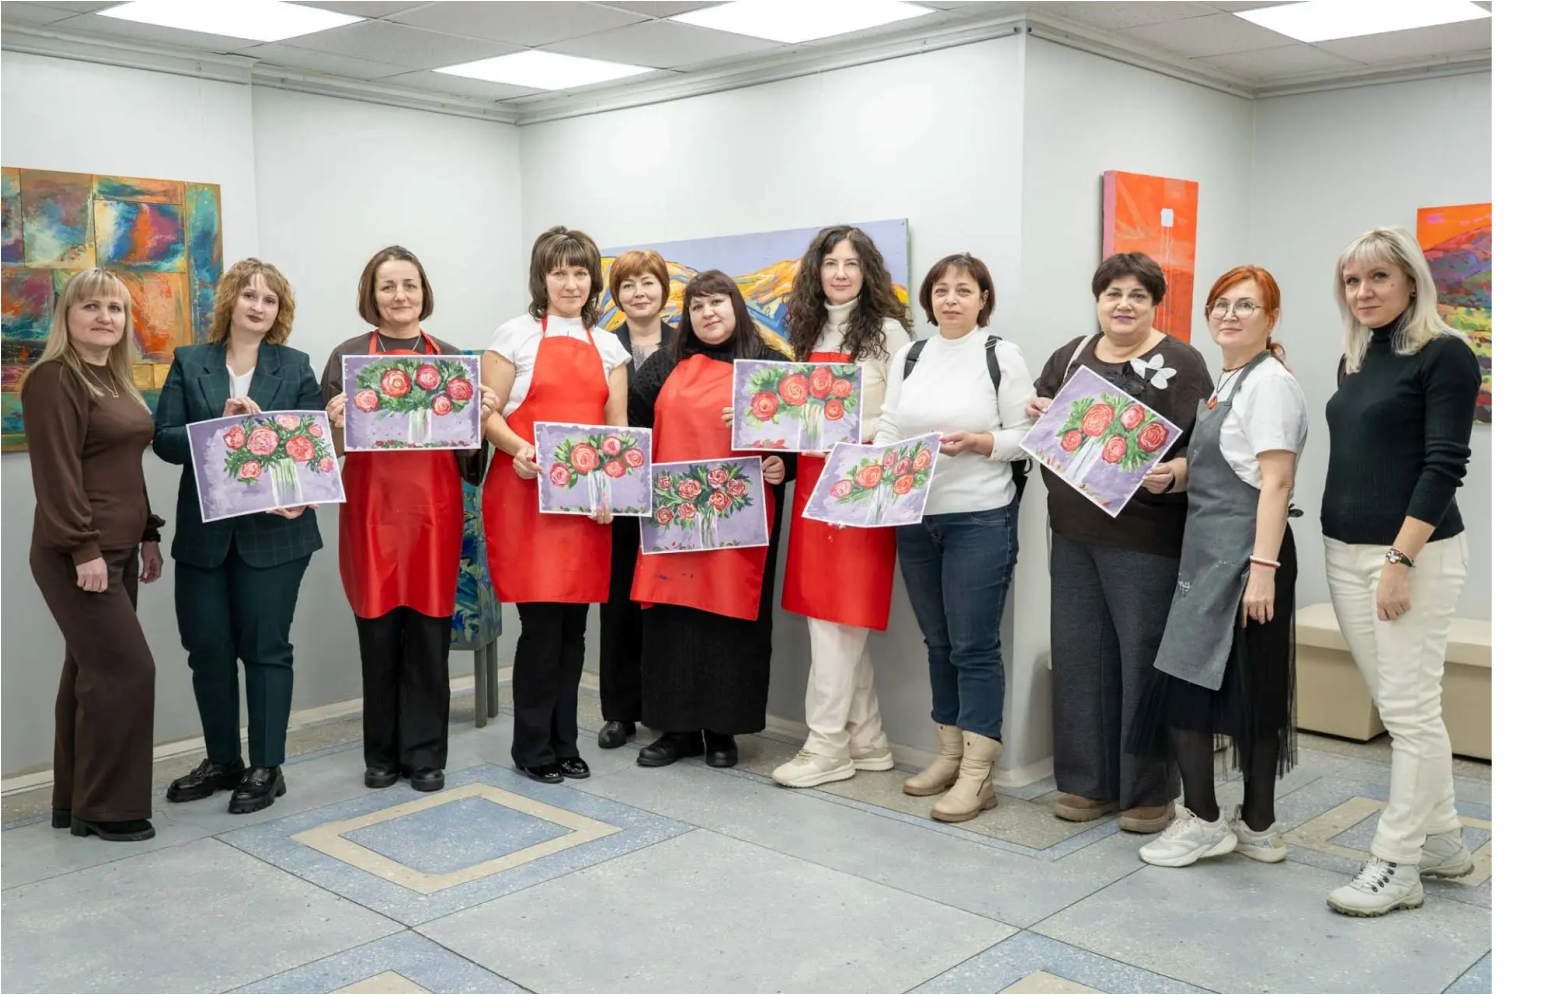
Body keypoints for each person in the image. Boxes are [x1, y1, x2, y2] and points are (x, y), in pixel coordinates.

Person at [1320, 227, 1481, 917]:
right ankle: (1442, 840)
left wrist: (1399, 559)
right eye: (1353, 281)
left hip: (1412, 556)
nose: (1364, 292)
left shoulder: (1446, 354)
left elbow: (1445, 465)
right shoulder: (1355, 358)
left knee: (1410, 713)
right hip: (1343, 552)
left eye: (1379, 277)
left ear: (1411, 281)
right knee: (1401, 706)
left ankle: (1398, 861)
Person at [1128, 265, 1306, 867]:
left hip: (1247, 557)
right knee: (1229, 688)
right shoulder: (1232, 379)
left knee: (1204, 686)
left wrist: (1263, 570)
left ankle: (1208, 821)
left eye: (1246, 305)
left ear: (1271, 317)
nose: (1230, 315)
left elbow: (1277, 482)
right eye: (1221, 304)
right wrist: (1175, 475)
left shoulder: (1269, 384)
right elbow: (1231, 462)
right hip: (1211, 552)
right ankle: (1255, 825)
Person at [1029, 252, 1213, 835]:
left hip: (1146, 536)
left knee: (1143, 660)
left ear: (1154, 303)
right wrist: (1038, 413)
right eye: (1113, 293)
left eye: (1137, 295)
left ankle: (1147, 790)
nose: (1124, 305)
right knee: (1080, 658)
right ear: (1098, 299)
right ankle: (1088, 782)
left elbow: (1209, 448)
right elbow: (1041, 419)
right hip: (1073, 532)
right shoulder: (1072, 355)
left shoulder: (1182, 363)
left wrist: (1175, 473)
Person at [322, 246, 498, 793]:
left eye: (409, 285)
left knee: (427, 635)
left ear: (424, 292)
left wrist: (481, 417)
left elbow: (468, 459)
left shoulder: (451, 361)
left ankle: (425, 754)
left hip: (433, 515)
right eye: (388, 286)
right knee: (377, 634)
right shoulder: (348, 358)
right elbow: (329, 454)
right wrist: (333, 423)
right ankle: (380, 754)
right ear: (370, 295)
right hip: (371, 512)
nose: (400, 296)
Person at [154, 259, 323, 814]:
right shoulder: (190, 361)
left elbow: (312, 445)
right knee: (207, 651)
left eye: (270, 299)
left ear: (279, 311)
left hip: (277, 535)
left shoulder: (295, 366)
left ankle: (266, 766)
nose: (258, 306)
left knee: (266, 651)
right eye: (249, 295)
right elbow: (164, 439)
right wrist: (219, 430)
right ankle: (223, 761)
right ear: (230, 300)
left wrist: (301, 489)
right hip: (204, 536)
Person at [875, 253, 1032, 824]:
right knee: (938, 642)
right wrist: (872, 464)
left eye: (964, 290)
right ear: (928, 300)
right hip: (915, 517)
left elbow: (1028, 435)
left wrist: (981, 442)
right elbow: (891, 423)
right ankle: (949, 754)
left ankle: (978, 774)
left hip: (979, 517)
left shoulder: (1000, 355)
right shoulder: (911, 355)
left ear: (983, 299)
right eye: (941, 290)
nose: (950, 299)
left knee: (974, 646)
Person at [21, 268, 165, 842]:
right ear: (67, 315)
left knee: (91, 672)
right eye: (92, 307)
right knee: (126, 671)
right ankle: (110, 808)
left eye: (116, 308)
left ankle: (76, 803)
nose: (106, 317)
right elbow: (56, 474)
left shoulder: (116, 380)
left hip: (121, 548)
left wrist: (148, 531)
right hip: (78, 552)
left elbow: (124, 466)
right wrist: (84, 548)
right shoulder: (54, 378)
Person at [482, 226, 629, 783]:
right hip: (525, 497)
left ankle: (566, 741)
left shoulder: (609, 347)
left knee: (574, 630)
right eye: (559, 272)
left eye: (580, 272)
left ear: (593, 280)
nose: (570, 283)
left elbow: (616, 430)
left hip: (585, 507)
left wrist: (612, 492)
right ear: (540, 279)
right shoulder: (513, 336)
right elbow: (486, 413)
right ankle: (532, 746)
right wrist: (518, 449)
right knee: (542, 629)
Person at [630, 270, 793, 769]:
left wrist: (781, 464)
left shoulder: (770, 365)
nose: (708, 313)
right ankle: (675, 730)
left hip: (742, 520)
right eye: (697, 306)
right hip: (673, 515)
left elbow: (798, 438)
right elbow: (635, 430)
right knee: (673, 618)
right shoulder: (662, 364)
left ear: (736, 306)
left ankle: (724, 730)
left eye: (717, 302)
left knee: (730, 620)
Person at [771, 225, 913, 788]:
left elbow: (903, 414)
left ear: (868, 272)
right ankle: (868, 740)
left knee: (840, 616)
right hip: (812, 482)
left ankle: (825, 745)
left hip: (860, 484)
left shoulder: (890, 334)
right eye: (831, 262)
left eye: (852, 263)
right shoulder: (806, 332)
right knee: (828, 614)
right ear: (817, 271)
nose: (840, 273)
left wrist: (849, 431)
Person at [597, 249, 673, 750]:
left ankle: (666, 708)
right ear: (616, 295)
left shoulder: (686, 345)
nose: (638, 293)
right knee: (619, 600)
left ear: (665, 289)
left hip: (671, 488)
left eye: (648, 282)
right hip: (619, 491)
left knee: (666, 604)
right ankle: (619, 711)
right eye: (627, 285)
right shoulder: (603, 346)